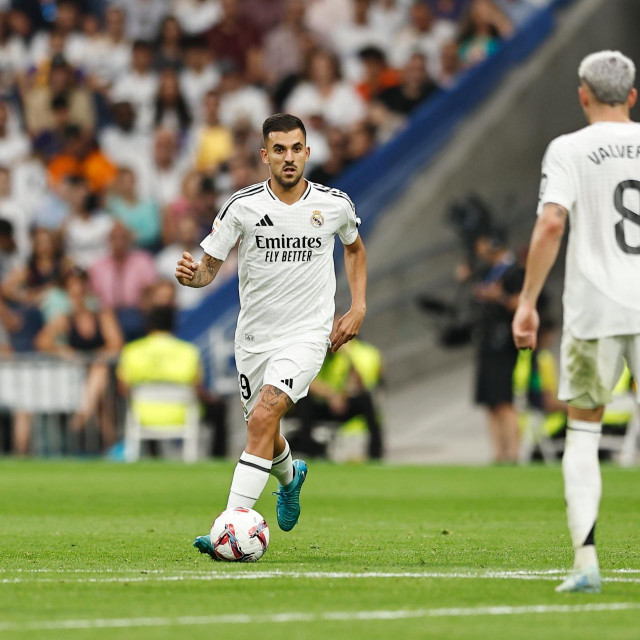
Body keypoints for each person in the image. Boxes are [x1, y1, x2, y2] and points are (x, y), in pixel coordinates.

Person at [175, 113, 367, 554]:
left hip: (307, 334)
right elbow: (209, 267)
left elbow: (354, 249)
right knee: (264, 430)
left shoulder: (333, 203)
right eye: (279, 150)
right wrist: (192, 277)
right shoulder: (242, 206)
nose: (288, 157)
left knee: (263, 418)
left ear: (307, 152)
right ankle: (290, 475)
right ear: (265, 155)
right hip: (254, 340)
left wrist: (357, 307)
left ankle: (228, 527)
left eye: (296, 148)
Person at [512, 51, 640, 593]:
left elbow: (550, 224)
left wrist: (526, 300)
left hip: (596, 310)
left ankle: (586, 560)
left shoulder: (568, 148)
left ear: (583, 93)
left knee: (584, 431)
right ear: (632, 96)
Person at [471, 230, 523, 464]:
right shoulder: (487, 271)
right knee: (490, 402)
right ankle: (498, 453)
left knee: (503, 400)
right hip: (487, 340)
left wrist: (499, 297)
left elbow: (521, 304)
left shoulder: (515, 272)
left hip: (504, 343)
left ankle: (513, 452)